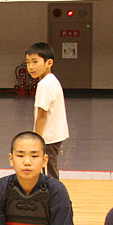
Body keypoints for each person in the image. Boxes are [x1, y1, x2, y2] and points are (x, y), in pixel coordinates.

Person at [25, 42, 68, 179]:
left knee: (48, 174)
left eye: (35, 62)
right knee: (50, 170)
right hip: (53, 136)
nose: (31, 67)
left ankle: (54, 192)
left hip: (48, 138)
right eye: (28, 62)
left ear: (49, 63)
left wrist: (36, 140)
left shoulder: (45, 84)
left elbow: (41, 116)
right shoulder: (51, 80)